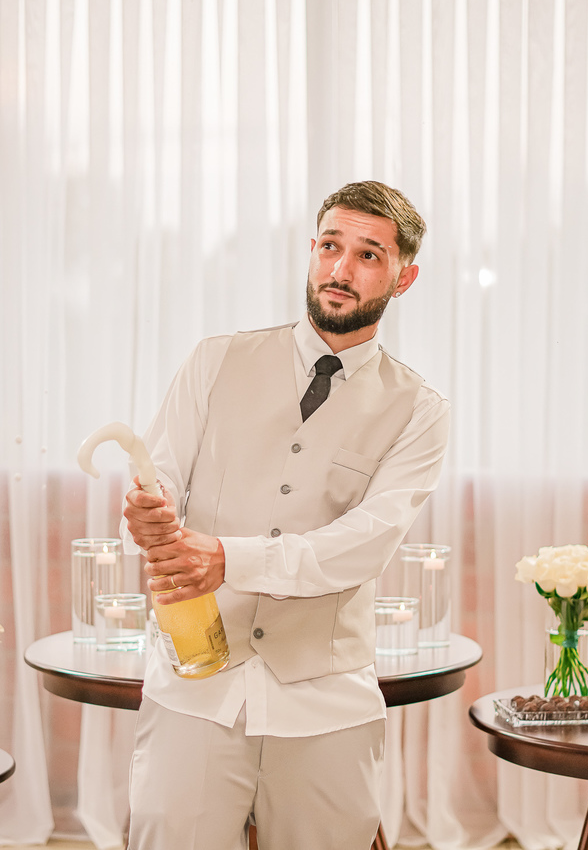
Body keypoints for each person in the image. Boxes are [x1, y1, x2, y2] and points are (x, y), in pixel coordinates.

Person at [121, 181, 450, 850]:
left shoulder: (420, 410)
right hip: (195, 686)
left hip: (326, 700)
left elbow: (365, 543)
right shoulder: (214, 361)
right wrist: (146, 512)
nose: (340, 269)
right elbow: (161, 477)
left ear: (404, 278)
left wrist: (229, 559)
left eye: (368, 255)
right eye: (330, 246)